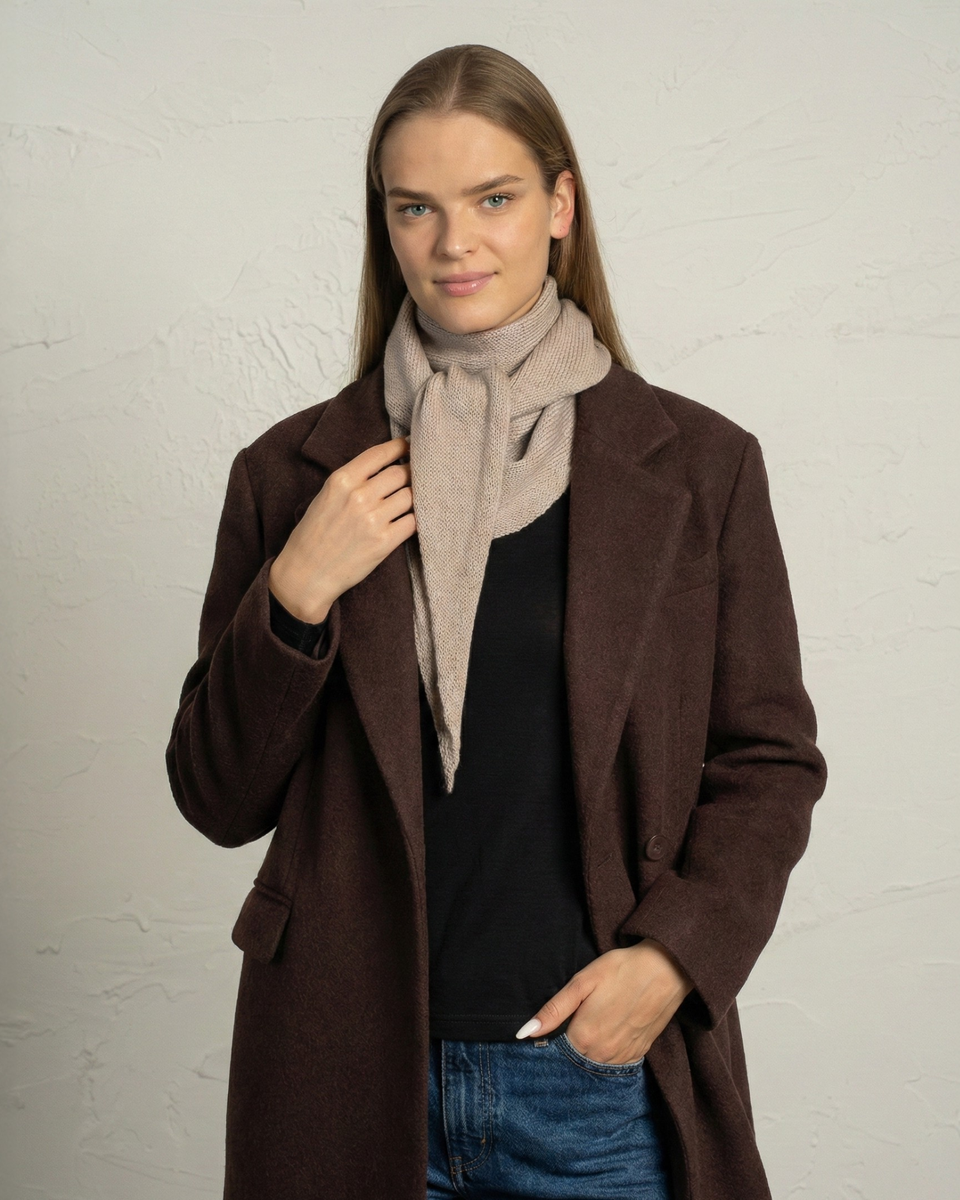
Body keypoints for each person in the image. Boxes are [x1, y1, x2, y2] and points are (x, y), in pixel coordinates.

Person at [166, 43, 827, 1200]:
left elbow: (767, 763)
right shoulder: (294, 475)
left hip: (594, 1086)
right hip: (344, 1071)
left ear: (560, 206)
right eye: (415, 206)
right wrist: (298, 592)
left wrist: (672, 961)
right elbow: (217, 800)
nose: (452, 242)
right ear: (384, 222)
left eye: (493, 199)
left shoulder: (698, 467)